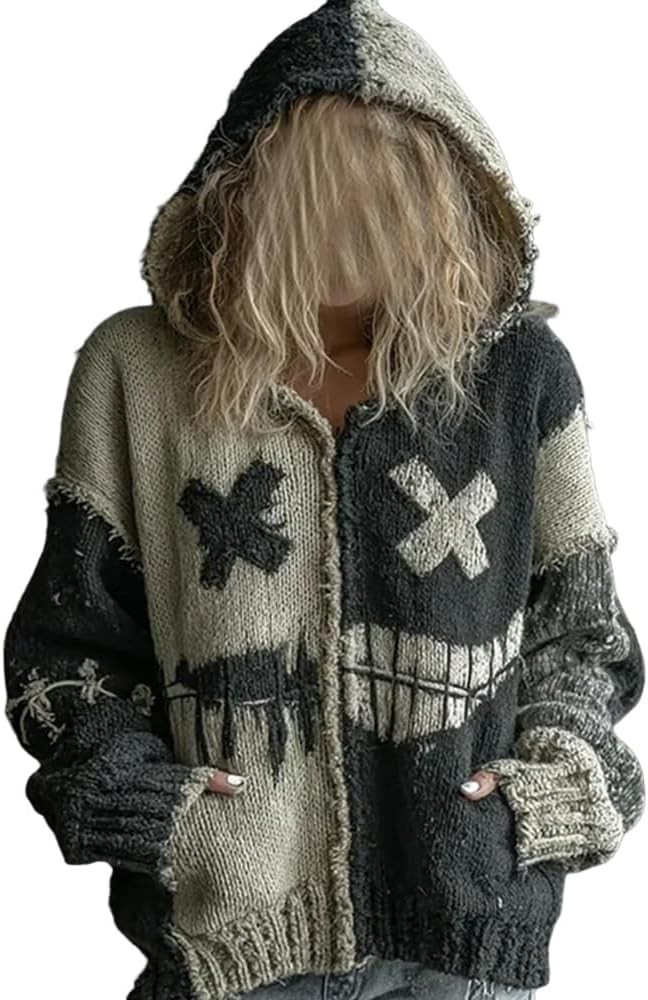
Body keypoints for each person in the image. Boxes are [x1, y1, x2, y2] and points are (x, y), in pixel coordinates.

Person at [3, 2, 645, 1000]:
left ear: (441, 192)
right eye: (316, 188)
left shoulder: (520, 375)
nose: (349, 221)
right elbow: (69, 644)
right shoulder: (136, 371)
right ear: (246, 192)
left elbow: (582, 631)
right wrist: (152, 807)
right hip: (225, 942)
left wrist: (545, 791)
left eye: (385, 188)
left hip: (462, 942)